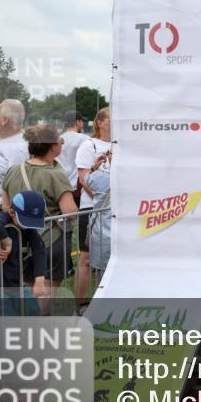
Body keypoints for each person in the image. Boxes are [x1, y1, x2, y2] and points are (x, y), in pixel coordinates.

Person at [1, 124, 77, 287]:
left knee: (29, 287)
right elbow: (70, 212)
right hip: (51, 239)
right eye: (60, 141)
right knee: (48, 289)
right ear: (53, 146)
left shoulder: (13, 170)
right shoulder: (55, 175)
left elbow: (6, 207)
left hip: (22, 241)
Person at [0, 190, 48, 317]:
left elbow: (39, 248)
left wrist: (39, 279)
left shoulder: (28, 228)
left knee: (33, 312)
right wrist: (7, 241)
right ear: (12, 212)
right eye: (26, 221)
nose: (29, 226)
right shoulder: (3, 219)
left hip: (15, 283)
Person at [75, 108, 111, 305]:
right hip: (92, 209)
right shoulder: (89, 145)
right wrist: (100, 199)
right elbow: (84, 179)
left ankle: (103, 302)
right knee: (87, 259)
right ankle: (81, 304)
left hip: (112, 211)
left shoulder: (120, 145)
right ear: (100, 122)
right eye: (112, 119)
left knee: (108, 259)